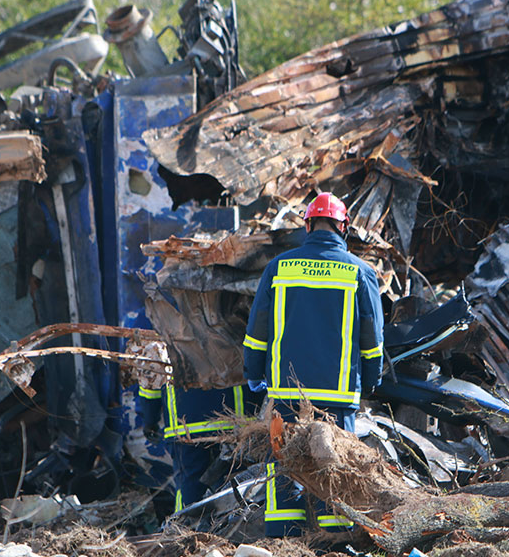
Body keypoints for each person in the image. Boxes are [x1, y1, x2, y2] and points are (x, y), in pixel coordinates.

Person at [243, 192, 384, 535]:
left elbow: (257, 329)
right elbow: (372, 337)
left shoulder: (280, 267)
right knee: (333, 466)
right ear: (343, 227)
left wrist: (253, 373)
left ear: (308, 225)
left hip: (286, 392)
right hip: (338, 394)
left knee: (284, 465)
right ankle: (334, 540)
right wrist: (372, 379)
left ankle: (282, 540)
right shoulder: (359, 271)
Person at [137, 383, 253, 512]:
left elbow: (150, 376)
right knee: (235, 485)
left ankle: (185, 528)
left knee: (189, 487)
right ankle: (237, 526)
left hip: (184, 426)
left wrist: (150, 418)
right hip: (234, 423)